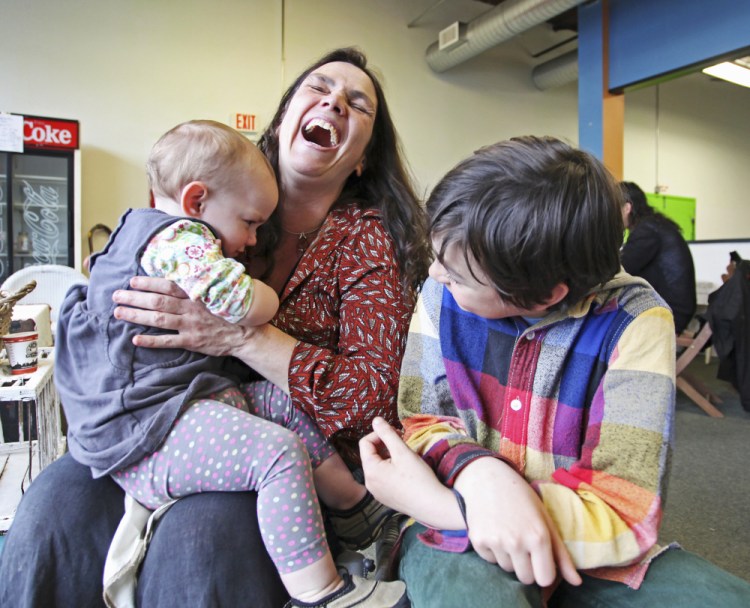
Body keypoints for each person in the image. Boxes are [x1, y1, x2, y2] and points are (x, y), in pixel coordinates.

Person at [0, 47, 431, 607]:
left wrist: (239, 336)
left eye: (358, 104)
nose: (334, 101)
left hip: (286, 453)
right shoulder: (214, 198)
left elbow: (372, 397)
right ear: (280, 123)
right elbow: (118, 282)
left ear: (363, 160)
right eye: (318, 87)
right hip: (153, 414)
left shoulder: (367, 240)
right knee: (53, 506)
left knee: (202, 539)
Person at [360, 136, 750, 607]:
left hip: (579, 543)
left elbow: (623, 506)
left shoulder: (638, 321)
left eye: (459, 275)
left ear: (544, 295)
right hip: (452, 541)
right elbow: (424, 422)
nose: (437, 275)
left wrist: (449, 506)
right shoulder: (440, 291)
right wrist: (483, 476)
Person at [620, 181, 697, 334]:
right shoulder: (653, 225)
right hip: (675, 306)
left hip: (670, 311)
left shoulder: (646, 231)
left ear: (627, 208)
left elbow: (622, 269)